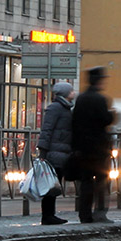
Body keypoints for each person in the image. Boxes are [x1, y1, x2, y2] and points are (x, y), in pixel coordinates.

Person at [70, 67, 114, 223]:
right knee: (102, 180)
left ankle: (85, 214)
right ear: (99, 81)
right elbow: (105, 119)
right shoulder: (99, 99)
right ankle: (100, 213)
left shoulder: (81, 99)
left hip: (83, 148)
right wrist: (112, 114)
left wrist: (75, 147)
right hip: (99, 149)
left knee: (86, 182)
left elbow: (74, 124)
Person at [36, 81, 74, 225]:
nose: (73, 93)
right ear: (66, 93)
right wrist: (43, 152)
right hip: (54, 152)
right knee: (51, 185)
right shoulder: (56, 108)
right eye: (71, 91)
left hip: (61, 151)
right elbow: (47, 130)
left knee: (55, 184)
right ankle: (47, 216)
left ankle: (50, 215)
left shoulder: (65, 108)